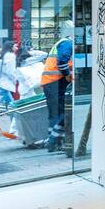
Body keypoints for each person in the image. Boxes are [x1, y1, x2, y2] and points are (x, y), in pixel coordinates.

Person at [40, 23, 74, 152]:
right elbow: (61, 62)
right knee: (63, 112)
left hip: (50, 81)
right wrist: (68, 76)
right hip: (56, 81)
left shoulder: (61, 43)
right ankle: (53, 140)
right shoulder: (67, 44)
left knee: (55, 113)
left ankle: (53, 143)